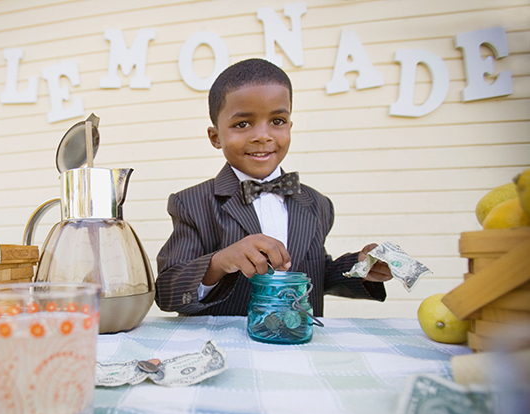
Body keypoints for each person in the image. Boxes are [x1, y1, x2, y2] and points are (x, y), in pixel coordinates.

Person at [155, 58, 392, 317]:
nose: (263, 136)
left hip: (298, 343)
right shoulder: (191, 203)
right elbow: (167, 292)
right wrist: (220, 262)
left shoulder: (317, 204)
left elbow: (317, 274)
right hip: (227, 348)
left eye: (277, 121)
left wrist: (361, 268)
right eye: (242, 124)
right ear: (216, 137)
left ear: (290, 126)